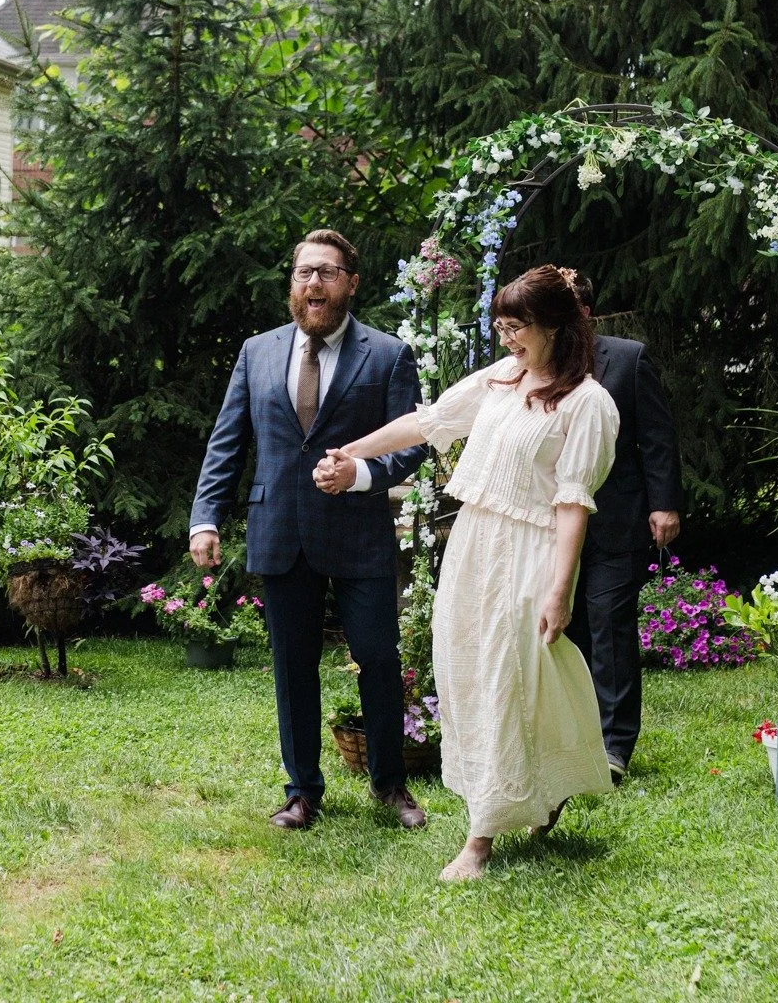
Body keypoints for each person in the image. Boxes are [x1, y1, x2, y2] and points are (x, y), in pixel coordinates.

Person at [315, 265, 620, 881]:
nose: (508, 340)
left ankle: (479, 841)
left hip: (531, 553)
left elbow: (572, 504)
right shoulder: (500, 380)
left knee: (508, 676)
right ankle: (540, 785)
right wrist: (354, 453)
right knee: (475, 675)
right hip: (475, 546)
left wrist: (559, 590)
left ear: (556, 328)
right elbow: (428, 424)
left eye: (518, 328)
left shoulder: (588, 404)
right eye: (503, 327)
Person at [188, 229, 428, 832]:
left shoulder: (388, 354)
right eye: (303, 273)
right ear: (292, 283)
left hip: (359, 533)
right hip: (281, 531)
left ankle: (390, 784)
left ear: (350, 282)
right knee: (292, 666)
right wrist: (205, 516)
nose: (313, 284)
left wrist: (361, 473)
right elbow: (228, 442)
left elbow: (412, 442)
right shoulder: (257, 352)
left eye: (326, 273)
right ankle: (301, 792)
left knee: (376, 657)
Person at [570, 274, 682, 783]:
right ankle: (571, 735)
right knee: (566, 632)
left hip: (616, 518)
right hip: (550, 526)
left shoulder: (629, 358)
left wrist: (664, 504)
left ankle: (615, 746)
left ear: (587, 312)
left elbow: (656, 438)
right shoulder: (532, 364)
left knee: (610, 626)